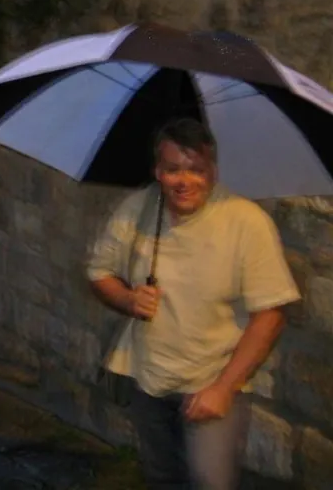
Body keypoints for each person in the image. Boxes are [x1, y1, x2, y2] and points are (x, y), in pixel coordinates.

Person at [87, 117, 301, 489]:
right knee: (161, 478)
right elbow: (99, 272)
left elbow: (271, 315)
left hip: (212, 380)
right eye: (173, 170)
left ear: (212, 171)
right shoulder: (138, 209)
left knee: (209, 482)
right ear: (158, 171)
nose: (184, 181)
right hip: (148, 377)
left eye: (196, 170)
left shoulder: (246, 222)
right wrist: (127, 298)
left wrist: (224, 388)